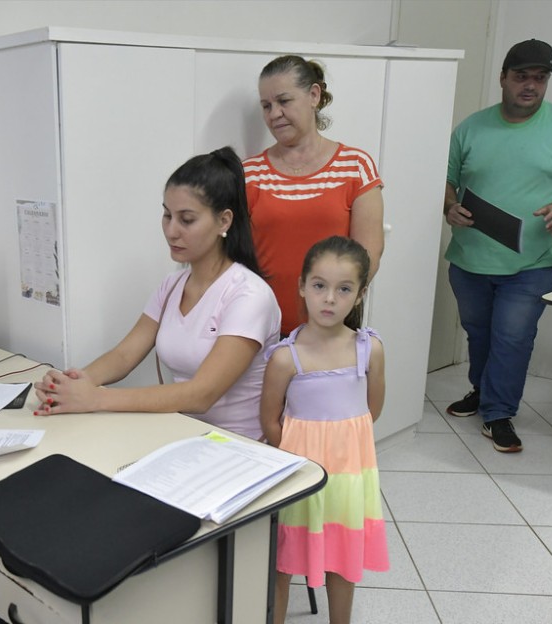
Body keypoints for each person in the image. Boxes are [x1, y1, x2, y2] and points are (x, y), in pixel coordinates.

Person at [34, 147, 281, 440]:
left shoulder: (249, 295)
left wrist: (96, 398)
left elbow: (202, 394)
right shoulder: (172, 285)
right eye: (167, 215)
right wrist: (72, 385)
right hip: (184, 436)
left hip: (239, 447)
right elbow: (124, 355)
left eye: (186, 220)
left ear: (224, 221)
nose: (171, 231)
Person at [443, 39, 552, 453]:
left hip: (532, 261)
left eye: (540, 78)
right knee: (479, 333)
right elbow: (445, 177)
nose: (530, 85)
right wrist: (449, 205)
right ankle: (482, 391)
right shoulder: (471, 128)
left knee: (513, 337)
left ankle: (499, 413)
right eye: (521, 77)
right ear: (503, 78)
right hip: (470, 258)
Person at [260, 236, 388, 624]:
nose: (329, 299)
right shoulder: (286, 358)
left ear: (360, 294)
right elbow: (269, 420)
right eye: (319, 285)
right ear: (302, 286)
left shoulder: (369, 349)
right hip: (299, 477)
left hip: (348, 479)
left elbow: (371, 410)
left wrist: (341, 448)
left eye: (344, 289)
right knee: (283, 560)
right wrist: (300, 458)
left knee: (342, 558)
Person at [244, 54, 385, 336]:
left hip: (331, 331)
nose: (274, 114)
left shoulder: (355, 166)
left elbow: (368, 254)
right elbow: (238, 260)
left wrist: (330, 313)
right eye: (266, 106)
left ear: (313, 95)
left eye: (284, 101)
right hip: (261, 329)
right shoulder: (249, 173)